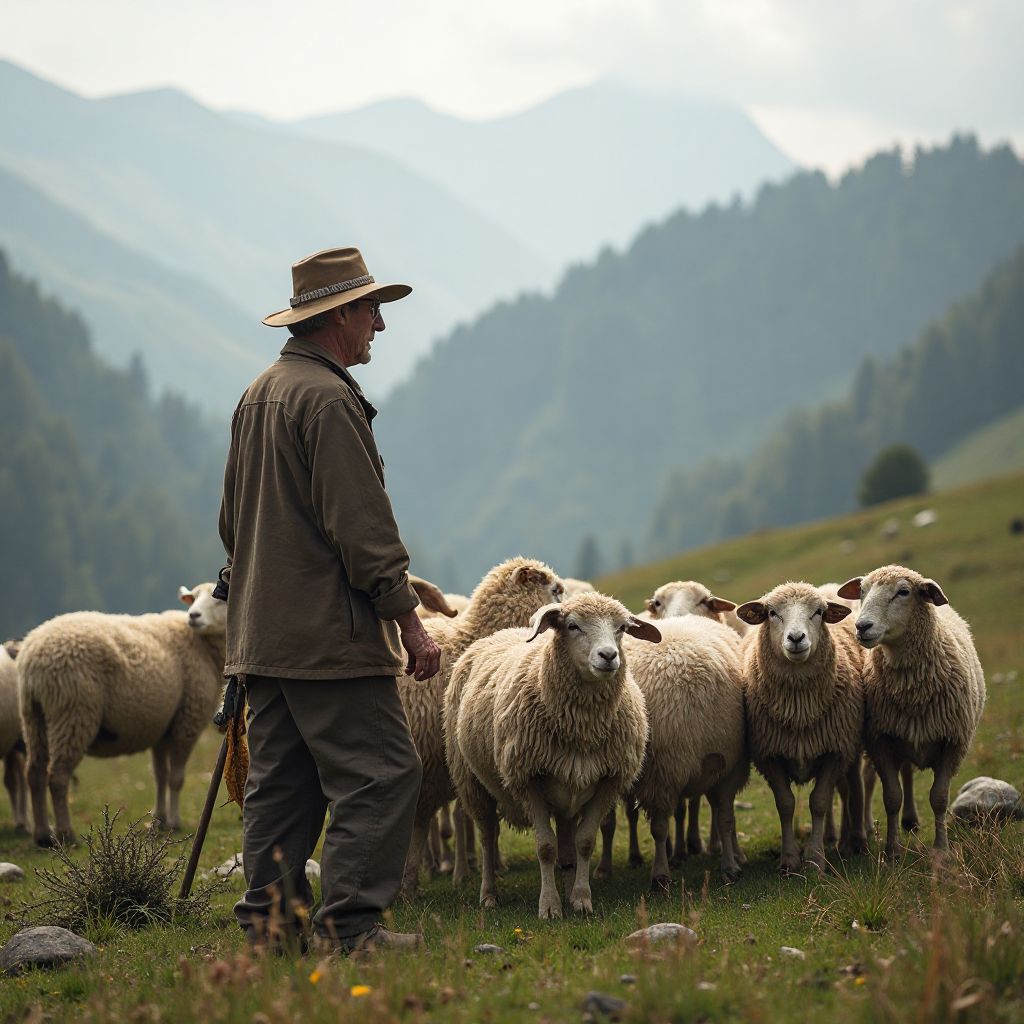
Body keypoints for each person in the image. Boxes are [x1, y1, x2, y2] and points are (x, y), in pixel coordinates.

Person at [218, 246, 441, 954]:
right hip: (329, 639)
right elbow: (363, 529)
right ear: (338, 314)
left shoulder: (261, 392)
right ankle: (352, 929)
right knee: (382, 773)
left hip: (264, 637)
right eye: (371, 309)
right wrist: (411, 624)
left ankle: (271, 928)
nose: (380, 323)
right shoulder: (329, 400)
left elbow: (232, 522)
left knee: (282, 789)